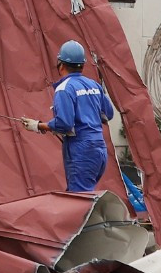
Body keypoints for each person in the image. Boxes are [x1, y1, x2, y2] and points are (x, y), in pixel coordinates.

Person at [24, 39, 114, 192]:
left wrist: (38, 125)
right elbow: (108, 114)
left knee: (79, 200)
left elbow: (64, 124)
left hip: (81, 151)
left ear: (61, 64)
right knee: (87, 195)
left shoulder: (64, 89)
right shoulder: (93, 85)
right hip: (99, 151)